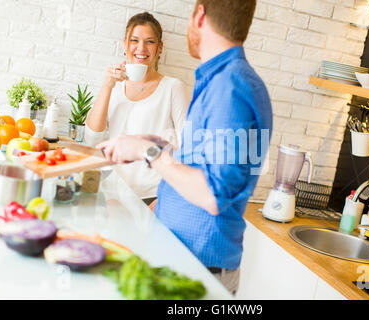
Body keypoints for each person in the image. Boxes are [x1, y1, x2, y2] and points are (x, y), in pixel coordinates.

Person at [96, 0, 272, 295]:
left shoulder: (229, 89)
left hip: (199, 266)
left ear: (199, 15)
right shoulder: (222, 80)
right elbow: (208, 165)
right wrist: (157, 146)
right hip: (180, 255)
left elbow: (213, 195)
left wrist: (147, 153)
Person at [85, 12, 189, 203]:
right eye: (135, 40)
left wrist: (167, 196)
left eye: (150, 41)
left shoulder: (172, 87)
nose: (141, 48)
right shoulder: (114, 86)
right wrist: (107, 85)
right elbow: (91, 138)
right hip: (110, 192)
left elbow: (188, 146)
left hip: (153, 195)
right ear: (125, 44)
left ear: (160, 48)